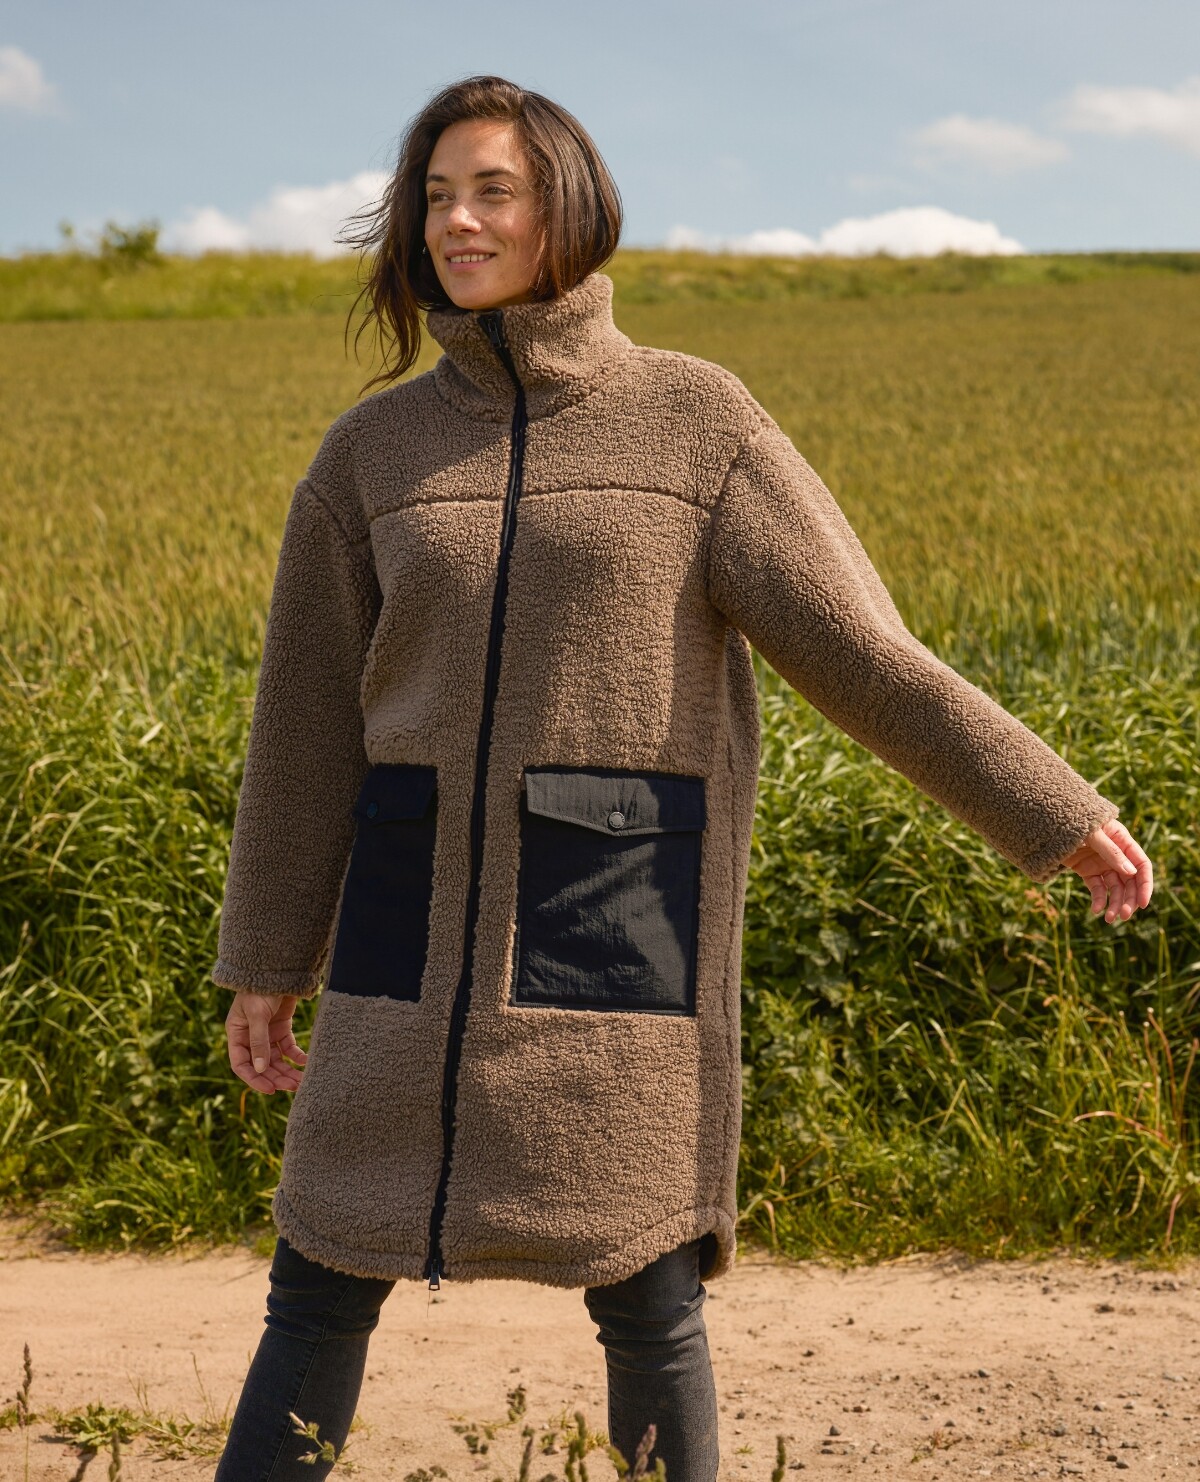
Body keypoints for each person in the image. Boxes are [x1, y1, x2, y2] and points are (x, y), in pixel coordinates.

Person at [210, 73, 1153, 1482]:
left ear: (567, 207)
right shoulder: (371, 454)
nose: (459, 221)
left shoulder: (697, 424)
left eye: (493, 191)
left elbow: (863, 651)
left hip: (612, 907)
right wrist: (268, 956)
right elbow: (301, 731)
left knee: (648, 1294)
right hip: (403, 924)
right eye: (437, 196)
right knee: (321, 1271)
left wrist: (1052, 809)